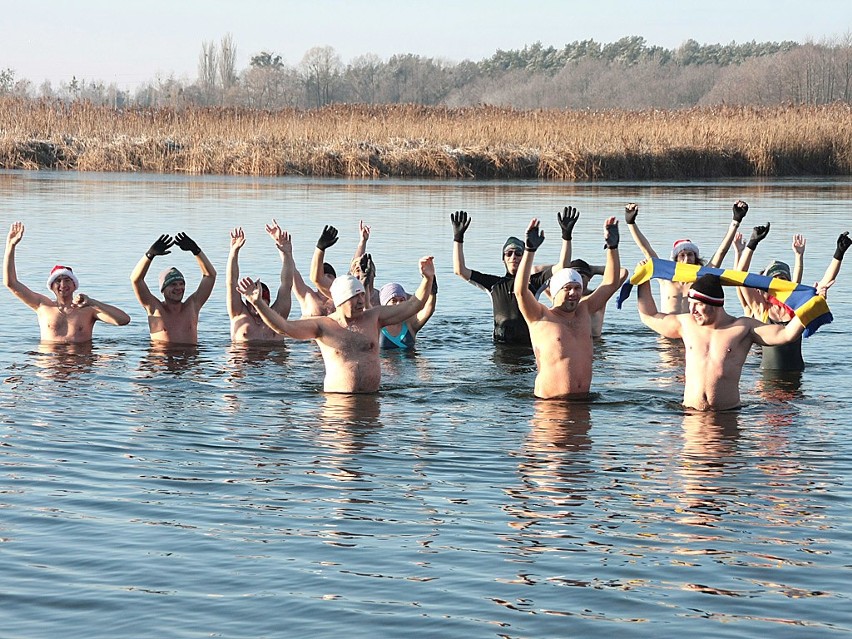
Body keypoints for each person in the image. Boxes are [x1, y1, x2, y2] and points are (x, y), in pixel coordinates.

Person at [237, 256, 435, 393]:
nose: (360, 301)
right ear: (340, 301)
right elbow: (283, 327)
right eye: (354, 297)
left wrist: (427, 278)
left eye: (360, 295)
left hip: (372, 401)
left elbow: (414, 304)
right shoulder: (323, 326)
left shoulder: (374, 317)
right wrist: (258, 304)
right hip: (337, 404)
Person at [636, 271, 813, 411]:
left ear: (715, 304)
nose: (692, 310)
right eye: (690, 304)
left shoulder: (743, 328)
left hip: (727, 415)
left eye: (698, 304)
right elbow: (648, 315)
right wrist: (642, 280)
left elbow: (786, 334)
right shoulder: (685, 324)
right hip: (691, 415)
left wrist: (810, 304)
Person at [514, 216, 622, 399]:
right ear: (555, 291)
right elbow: (521, 292)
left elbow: (611, 283)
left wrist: (613, 247)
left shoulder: (584, 311)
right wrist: (529, 250)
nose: (574, 293)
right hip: (550, 406)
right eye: (568, 288)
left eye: (577, 288)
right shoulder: (540, 316)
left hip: (583, 403)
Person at [451, 207, 576, 345]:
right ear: (503, 259)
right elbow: (460, 270)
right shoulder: (494, 284)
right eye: (508, 253)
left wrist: (566, 236)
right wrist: (458, 238)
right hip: (500, 347)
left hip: (527, 348)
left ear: (525, 256)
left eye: (518, 253)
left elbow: (563, 266)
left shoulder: (534, 282)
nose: (513, 257)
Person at [733, 224, 848, 371]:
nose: (780, 283)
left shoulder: (797, 307)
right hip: (769, 380)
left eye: (784, 279)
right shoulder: (761, 308)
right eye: (776, 279)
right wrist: (752, 244)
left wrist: (839, 254)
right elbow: (740, 277)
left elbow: (825, 283)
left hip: (796, 377)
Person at [4, 221, 131, 343]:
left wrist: (93, 302)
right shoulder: (42, 305)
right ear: (52, 286)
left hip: (80, 361)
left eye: (67, 280)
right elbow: (11, 283)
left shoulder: (88, 310)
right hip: (50, 361)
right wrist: (11, 245)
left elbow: (123, 320)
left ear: (74, 285)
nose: (63, 285)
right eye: (58, 281)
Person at [625, 200, 748, 313]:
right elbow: (646, 249)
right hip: (667, 332)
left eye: (690, 255)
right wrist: (631, 223)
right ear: (676, 259)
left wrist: (736, 221)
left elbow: (721, 252)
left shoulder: (701, 279)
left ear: (696, 258)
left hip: (691, 333)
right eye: (682, 255)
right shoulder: (666, 279)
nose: (686, 259)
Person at [130, 232, 216, 345]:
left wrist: (196, 250)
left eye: (181, 284)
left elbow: (210, 276)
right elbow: (136, 280)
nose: (179, 288)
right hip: (162, 360)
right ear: (163, 289)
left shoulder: (193, 306)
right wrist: (149, 255)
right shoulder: (154, 308)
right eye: (173, 284)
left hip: (189, 359)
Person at [226, 224, 294, 343]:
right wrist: (234, 251)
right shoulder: (238, 312)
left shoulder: (278, 314)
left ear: (268, 302)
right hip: (244, 358)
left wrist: (287, 254)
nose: (256, 304)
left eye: (263, 301)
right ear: (248, 300)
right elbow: (231, 282)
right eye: (254, 301)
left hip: (272, 360)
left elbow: (287, 284)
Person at [311, 221, 380, 307]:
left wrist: (363, 242)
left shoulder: (382, 296)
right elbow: (317, 279)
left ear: (374, 273)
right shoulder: (345, 293)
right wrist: (320, 248)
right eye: (358, 270)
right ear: (352, 275)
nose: (362, 273)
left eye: (366, 269)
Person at [567, 257, 628, 338]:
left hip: (595, 343)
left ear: (589, 278)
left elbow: (622, 272)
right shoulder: (562, 298)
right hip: (571, 343)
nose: (578, 280)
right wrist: (564, 270)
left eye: (582, 276)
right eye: (575, 276)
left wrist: (594, 270)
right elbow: (544, 273)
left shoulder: (599, 296)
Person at [377, 276, 437, 349]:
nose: (399, 303)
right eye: (394, 300)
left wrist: (432, 288)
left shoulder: (410, 324)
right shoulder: (375, 326)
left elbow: (428, 310)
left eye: (402, 300)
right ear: (384, 304)